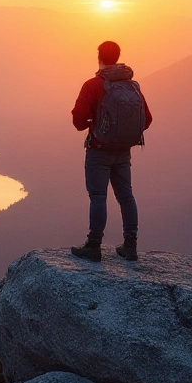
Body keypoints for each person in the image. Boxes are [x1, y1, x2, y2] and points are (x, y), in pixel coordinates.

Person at [69, 40, 152, 262]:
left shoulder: (93, 85)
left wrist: (93, 124)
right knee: (126, 195)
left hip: (99, 149)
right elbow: (147, 119)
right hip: (123, 151)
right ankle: (130, 246)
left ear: (99, 57)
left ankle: (94, 245)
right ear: (117, 57)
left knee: (98, 196)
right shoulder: (132, 86)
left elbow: (78, 120)